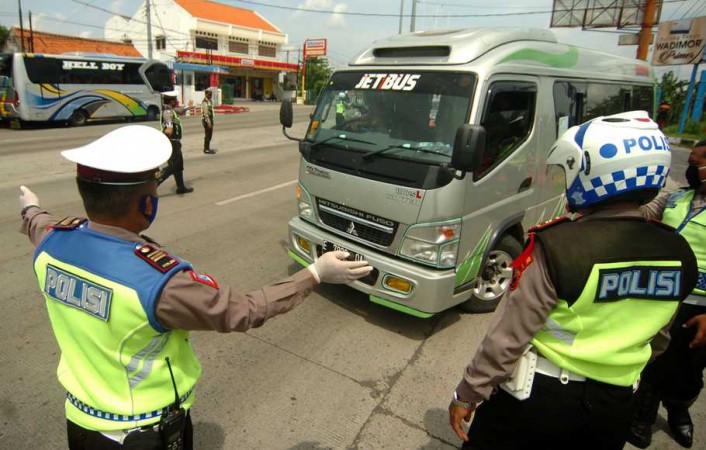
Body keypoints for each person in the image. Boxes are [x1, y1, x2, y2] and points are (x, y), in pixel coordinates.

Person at [19, 124, 373, 450]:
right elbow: (244, 311)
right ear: (147, 203)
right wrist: (314, 273)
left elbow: (39, 222)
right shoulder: (158, 283)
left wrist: (31, 207)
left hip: (80, 422)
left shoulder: (51, 244)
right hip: (141, 433)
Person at [448, 111, 698, 450]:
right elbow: (659, 339)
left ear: (595, 173)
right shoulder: (678, 251)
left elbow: (508, 337)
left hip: (539, 401)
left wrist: (468, 393)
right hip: (615, 406)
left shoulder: (558, 246)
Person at [628, 139, 706, 449]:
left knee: (687, 371)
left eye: (696, 164)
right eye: (689, 163)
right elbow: (642, 212)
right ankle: (641, 417)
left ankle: (679, 411)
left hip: (698, 308)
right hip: (658, 298)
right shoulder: (676, 197)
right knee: (651, 361)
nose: (690, 169)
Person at [159, 90, 193, 194]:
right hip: (172, 143)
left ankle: (181, 187)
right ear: (171, 101)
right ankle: (155, 182)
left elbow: (181, 111)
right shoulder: (168, 112)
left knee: (178, 166)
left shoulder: (171, 110)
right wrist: (168, 129)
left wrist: (189, 107)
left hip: (175, 143)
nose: (177, 101)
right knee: (173, 167)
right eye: (175, 100)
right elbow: (169, 125)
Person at [201, 89, 216, 155]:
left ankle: (208, 147)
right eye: (209, 94)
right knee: (207, 134)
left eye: (211, 94)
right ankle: (206, 149)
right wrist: (209, 122)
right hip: (207, 120)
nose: (210, 96)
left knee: (210, 134)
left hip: (210, 119)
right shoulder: (205, 102)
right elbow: (205, 113)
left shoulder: (209, 101)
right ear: (206, 94)